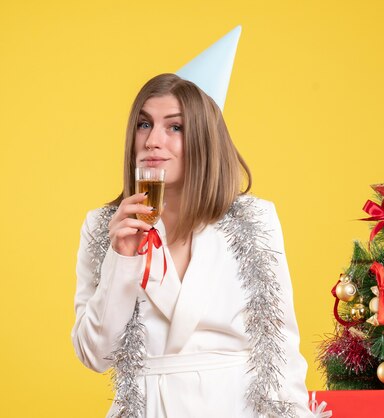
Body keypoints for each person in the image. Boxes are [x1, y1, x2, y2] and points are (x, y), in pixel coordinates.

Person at [71, 73, 317, 417]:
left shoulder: (255, 219)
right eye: (144, 124)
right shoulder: (103, 226)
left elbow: (281, 344)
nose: (153, 141)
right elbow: (96, 355)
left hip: (237, 407)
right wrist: (122, 258)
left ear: (203, 139)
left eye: (175, 128)